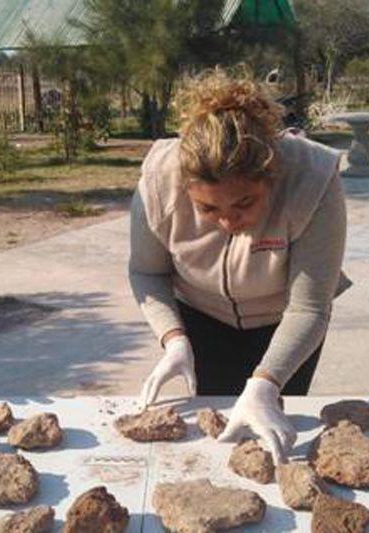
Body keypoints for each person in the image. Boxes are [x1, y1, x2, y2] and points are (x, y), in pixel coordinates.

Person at [129, 69, 351, 464]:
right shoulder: (159, 181)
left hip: (283, 322)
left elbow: (310, 307)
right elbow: (147, 272)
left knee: (269, 430)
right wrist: (173, 337)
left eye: (244, 203)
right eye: (208, 208)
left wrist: (267, 383)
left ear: (271, 176)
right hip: (200, 318)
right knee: (215, 438)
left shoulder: (313, 178)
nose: (229, 222)